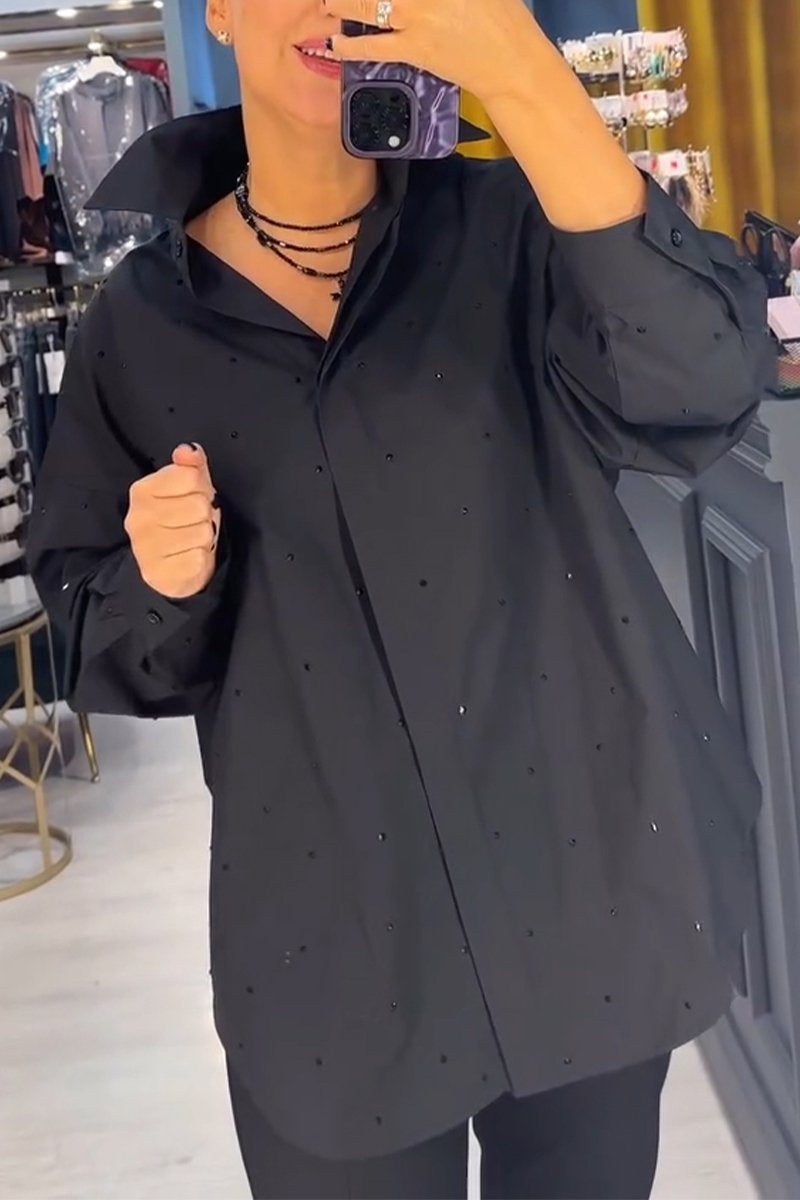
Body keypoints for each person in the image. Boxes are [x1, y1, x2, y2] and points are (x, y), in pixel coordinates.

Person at [27, 0, 773, 1197]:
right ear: (222, 10)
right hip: (330, 937)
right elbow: (95, 627)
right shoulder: (141, 325)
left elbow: (700, 381)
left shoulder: (517, 227)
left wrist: (522, 80)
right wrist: (161, 578)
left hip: (580, 867)